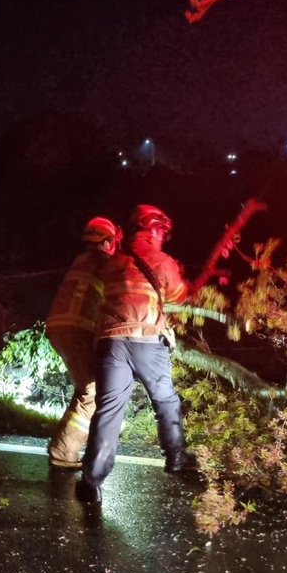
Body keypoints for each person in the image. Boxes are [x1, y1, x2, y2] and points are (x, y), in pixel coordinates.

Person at [76, 204, 196, 503]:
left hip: (111, 342)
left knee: (109, 411)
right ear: (154, 229)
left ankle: (91, 481)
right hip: (147, 341)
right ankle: (176, 456)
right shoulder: (163, 260)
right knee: (165, 399)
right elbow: (180, 295)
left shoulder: (113, 260)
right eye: (162, 232)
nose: (162, 238)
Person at [45, 217, 122, 468]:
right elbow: (121, 288)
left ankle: (63, 447)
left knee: (86, 387)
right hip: (75, 329)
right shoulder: (103, 262)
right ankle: (63, 452)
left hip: (64, 328)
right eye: (114, 243)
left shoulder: (83, 260)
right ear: (108, 241)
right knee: (92, 389)